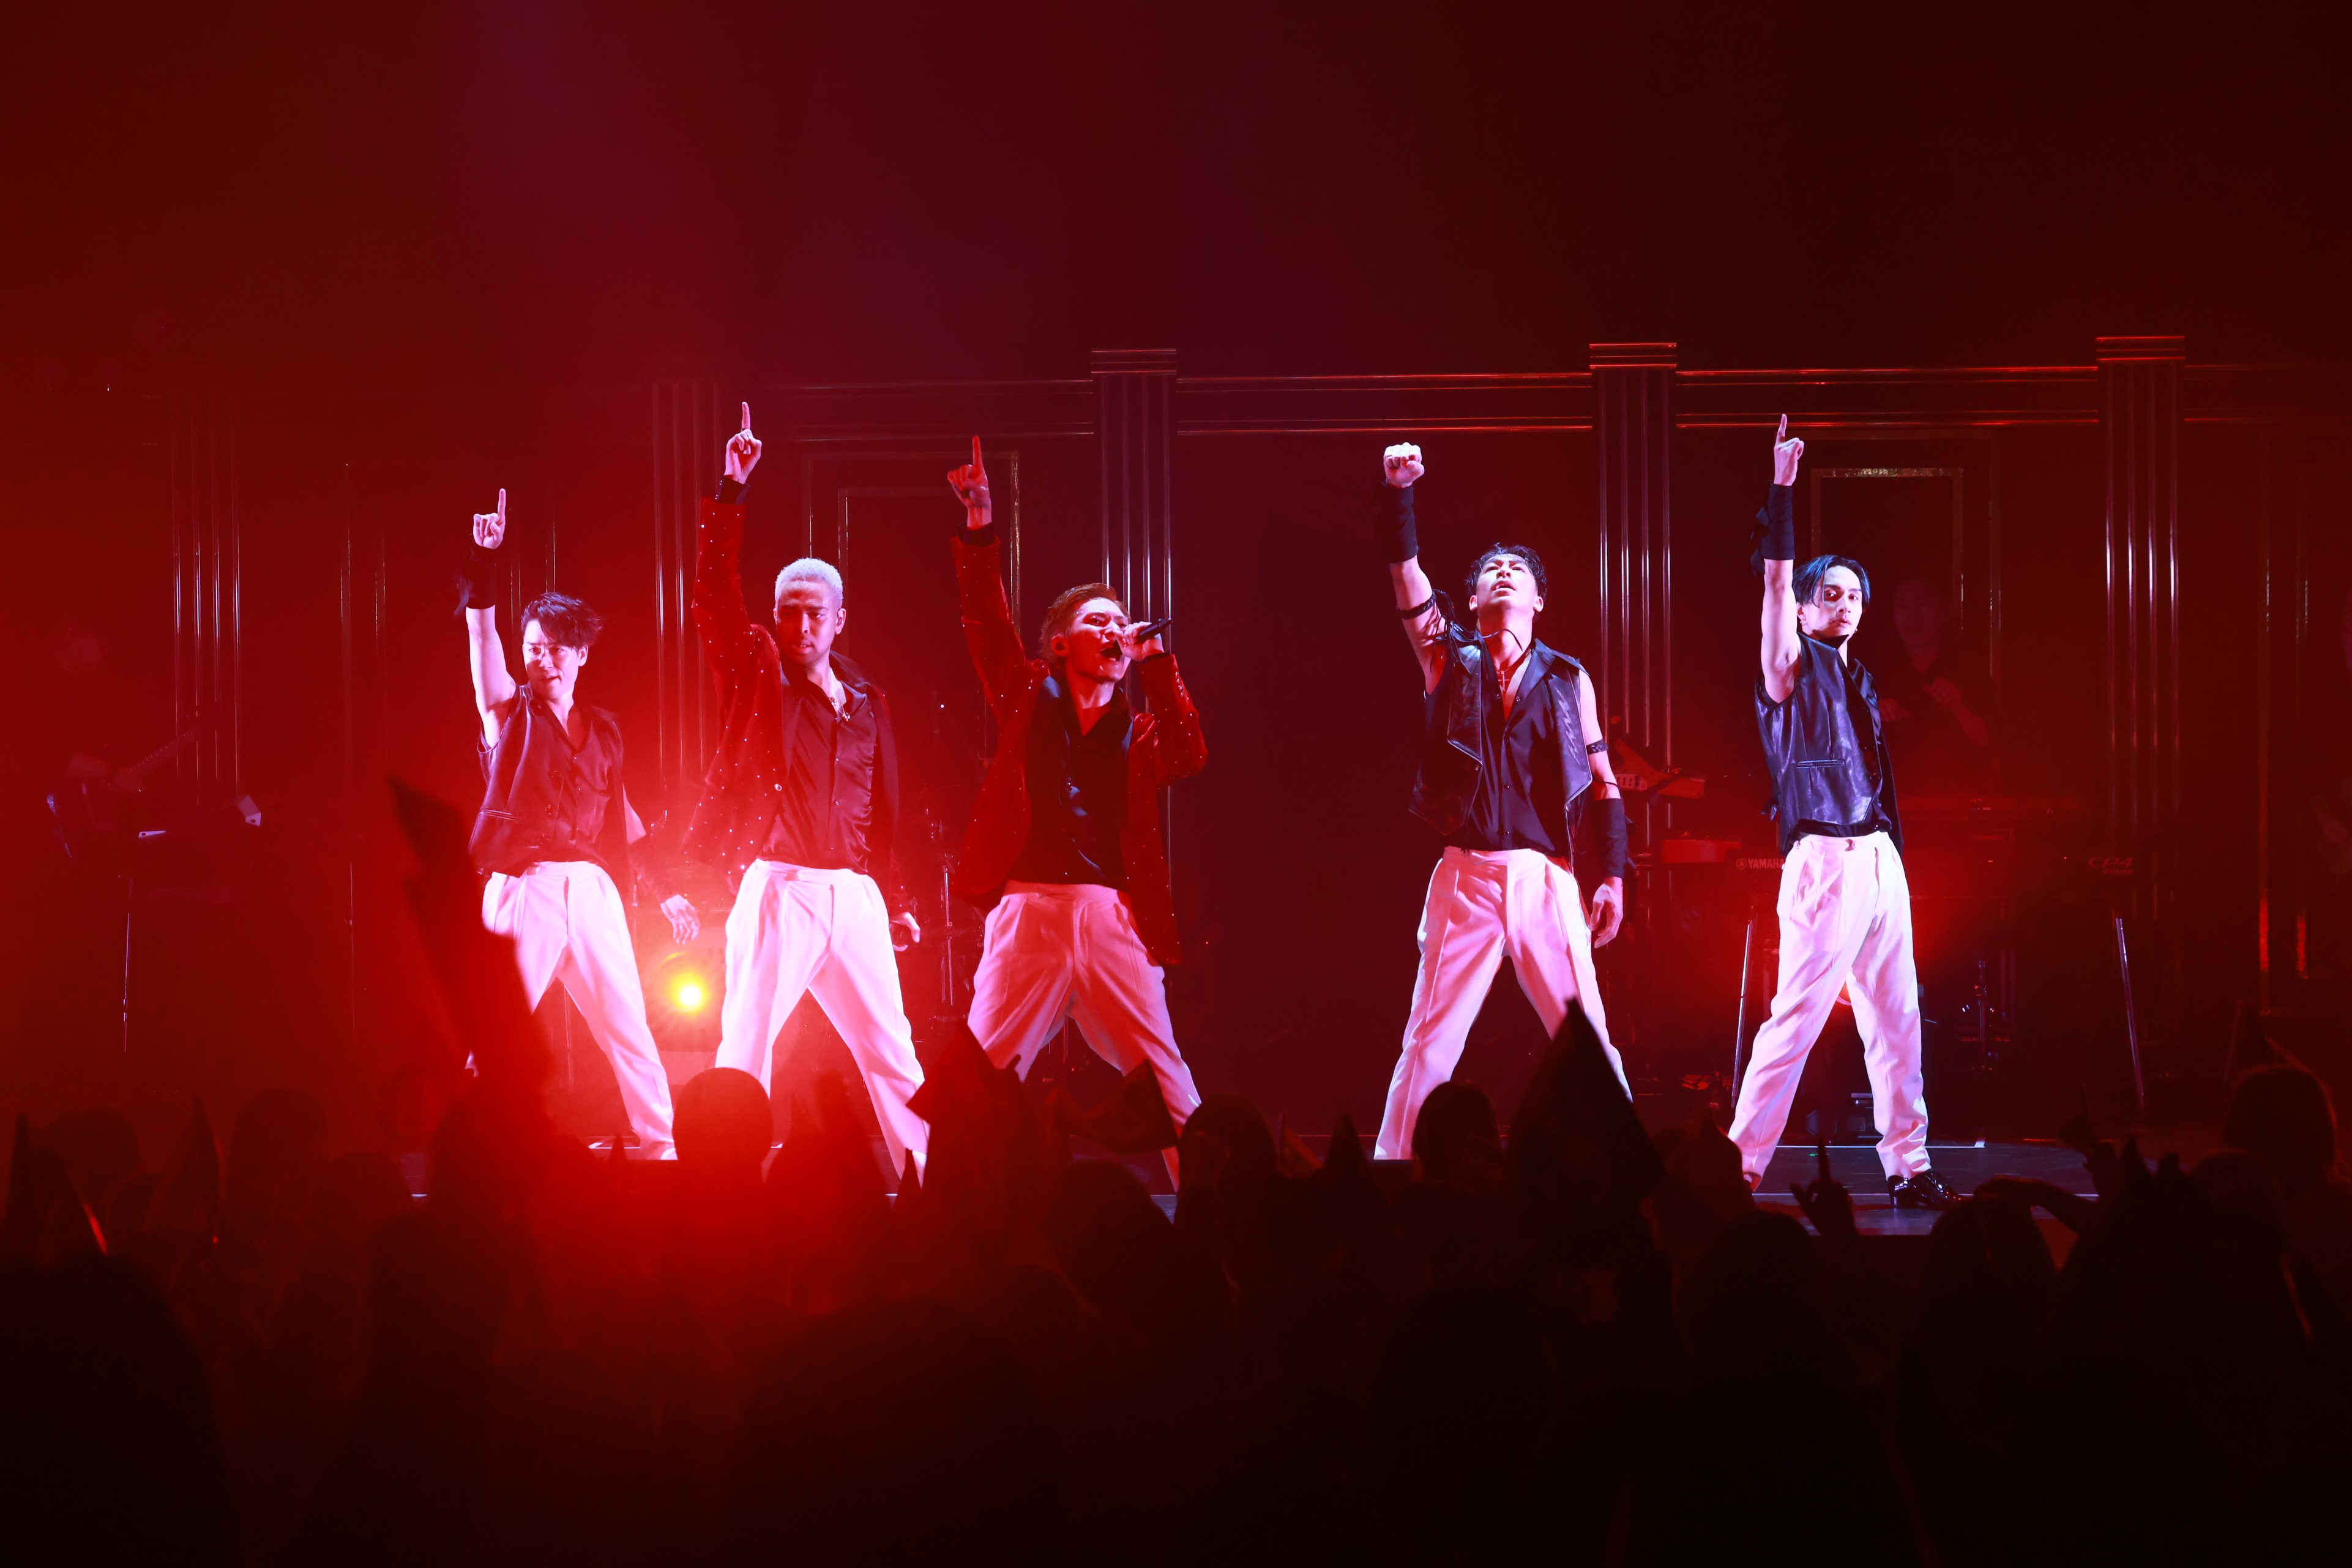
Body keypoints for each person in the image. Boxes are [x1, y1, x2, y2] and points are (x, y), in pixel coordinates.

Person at [944, 438, 1206, 1176]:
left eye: (1120, 623)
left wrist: (1159, 666)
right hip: (1029, 908)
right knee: (982, 1073)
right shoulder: (1029, 696)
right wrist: (980, 526)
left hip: (1111, 914)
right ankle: (949, 1210)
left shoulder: (1140, 731)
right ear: (1061, 645)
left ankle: (1216, 1209)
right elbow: (987, 624)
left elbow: (1189, 755)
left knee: (1164, 1071)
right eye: (1097, 621)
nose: (1113, 630)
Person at [1367, 441, 1629, 1162]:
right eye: (1491, 570)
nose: (1504, 572)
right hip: (1468, 873)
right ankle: (1394, 1172)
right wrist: (1400, 495)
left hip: (1546, 878)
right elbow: (1405, 576)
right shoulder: (1447, 658)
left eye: (1518, 569)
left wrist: (1612, 875)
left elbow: (1603, 780)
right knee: (1430, 1039)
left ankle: (1627, 1170)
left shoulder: (1569, 678)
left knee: (1587, 1037)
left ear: (1539, 600)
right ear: (1476, 597)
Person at [685, 406, 929, 1179]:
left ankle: (935, 1181)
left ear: (839, 620)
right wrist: (733, 488)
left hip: (853, 895)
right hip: (781, 888)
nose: (799, 625)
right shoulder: (758, 674)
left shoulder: (869, 702)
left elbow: (877, 814)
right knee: (747, 1045)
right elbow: (712, 594)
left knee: (893, 1051)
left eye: (814, 613)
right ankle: (723, 1190)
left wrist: (897, 897)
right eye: (788, 612)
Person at [1727, 420, 1955, 1209]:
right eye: (1830, 594)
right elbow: (1772, 582)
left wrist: (1891, 854)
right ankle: (1737, 1166)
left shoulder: (1860, 679)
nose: (1846, 604)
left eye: (1855, 594)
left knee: (1898, 1017)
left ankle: (1909, 1165)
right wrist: (1783, 488)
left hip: (1878, 855)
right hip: (1825, 856)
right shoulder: (1789, 666)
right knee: (1797, 1016)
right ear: (1802, 609)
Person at [460, 490, 693, 1157]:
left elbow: (627, 818)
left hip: (591, 891)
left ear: (582, 655)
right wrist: (485, 562)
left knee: (629, 1025)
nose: (545, 659)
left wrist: (667, 889)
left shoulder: (606, 731)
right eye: (535, 648)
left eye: (558, 649)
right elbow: (481, 638)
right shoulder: (507, 712)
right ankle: (472, 1150)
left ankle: (663, 1147)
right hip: (526, 887)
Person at [1875, 577, 1995, 793]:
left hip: (1960, 798)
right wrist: (1875, 715)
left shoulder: (1968, 669)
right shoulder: (1878, 671)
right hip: (1896, 799)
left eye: (1923, 605)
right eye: (1903, 607)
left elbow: (1990, 742)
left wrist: (1959, 709)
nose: (1912, 617)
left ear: (1945, 612)